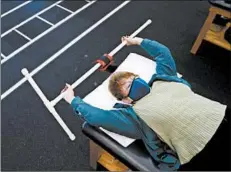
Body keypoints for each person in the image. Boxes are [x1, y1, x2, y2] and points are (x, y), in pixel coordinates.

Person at [61, 36, 230, 171]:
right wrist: (73, 100)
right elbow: (98, 117)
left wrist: (137, 41)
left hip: (220, 117)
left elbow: (162, 53)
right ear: (126, 100)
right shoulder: (135, 115)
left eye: (135, 79)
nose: (135, 82)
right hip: (199, 150)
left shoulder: (163, 78)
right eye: (129, 85)